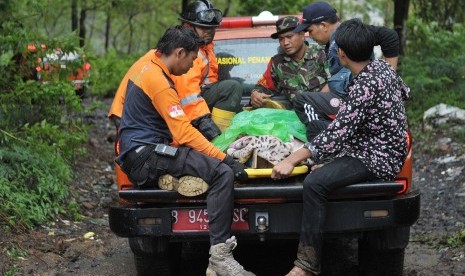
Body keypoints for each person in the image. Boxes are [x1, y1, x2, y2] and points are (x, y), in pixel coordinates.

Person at [271, 19, 410, 276]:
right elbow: (406, 92)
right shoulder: (383, 69)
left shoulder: (363, 86)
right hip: (375, 147)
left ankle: (306, 264)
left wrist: (292, 159)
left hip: (377, 157)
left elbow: (336, 134)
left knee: (314, 183)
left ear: (342, 53)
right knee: (319, 166)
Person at [116, 26, 255, 276]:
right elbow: (184, 133)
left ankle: (173, 179)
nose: (192, 67)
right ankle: (220, 258)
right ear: (179, 52)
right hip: (148, 155)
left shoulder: (147, 63)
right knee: (222, 173)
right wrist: (224, 157)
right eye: (192, 60)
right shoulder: (159, 82)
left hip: (139, 152)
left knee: (201, 162)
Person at [292, 1, 400, 141]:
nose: (310, 36)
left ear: (323, 25)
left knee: (302, 101)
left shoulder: (349, 33)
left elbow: (389, 36)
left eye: (310, 31)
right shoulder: (332, 43)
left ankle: (334, 141)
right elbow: (337, 78)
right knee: (314, 117)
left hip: (360, 98)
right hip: (349, 97)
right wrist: (317, 99)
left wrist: (389, 79)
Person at [177, 0, 244, 131]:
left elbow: (211, 83)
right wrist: (207, 126)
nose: (209, 31)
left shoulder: (206, 48)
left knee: (236, 84)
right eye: (203, 27)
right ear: (189, 27)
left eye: (212, 27)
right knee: (232, 86)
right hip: (188, 111)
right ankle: (219, 138)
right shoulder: (184, 51)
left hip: (200, 102)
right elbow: (187, 96)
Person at [250, 16, 327, 109]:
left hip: (325, 114)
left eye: (289, 37)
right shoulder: (277, 64)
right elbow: (263, 87)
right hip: (296, 118)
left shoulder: (322, 54)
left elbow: (337, 83)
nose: (285, 42)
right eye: (281, 39)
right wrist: (255, 94)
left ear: (302, 35)